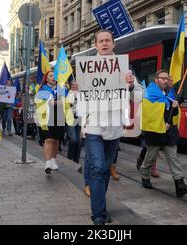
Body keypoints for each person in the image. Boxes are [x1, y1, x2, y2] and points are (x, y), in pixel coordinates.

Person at [74, 29, 139, 225]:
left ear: (113, 44)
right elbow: (78, 103)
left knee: (104, 169)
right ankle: (99, 215)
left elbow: (138, 94)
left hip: (115, 128)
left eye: (107, 40)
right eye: (100, 41)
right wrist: (76, 92)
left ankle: (101, 206)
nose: (104, 43)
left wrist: (130, 85)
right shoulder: (86, 69)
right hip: (94, 127)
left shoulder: (125, 68)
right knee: (98, 167)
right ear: (95, 45)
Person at [140, 70, 187, 197]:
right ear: (156, 80)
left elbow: (173, 113)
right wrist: (162, 122)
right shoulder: (149, 93)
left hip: (169, 132)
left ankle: (180, 184)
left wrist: (175, 107)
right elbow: (149, 113)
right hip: (154, 132)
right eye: (163, 78)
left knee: (173, 158)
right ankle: (144, 175)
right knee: (150, 157)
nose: (166, 81)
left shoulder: (171, 94)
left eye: (167, 79)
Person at [35, 70, 74, 174]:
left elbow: (68, 101)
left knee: (56, 140)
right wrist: (53, 102)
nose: (53, 77)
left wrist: (56, 102)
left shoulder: (61, 88)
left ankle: (53, 160)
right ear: (46, 78)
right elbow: (40, 102)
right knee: (48, 139)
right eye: (51, 76)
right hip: (46, 117)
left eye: (54, 76)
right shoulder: (42, 89)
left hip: (59, 115)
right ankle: (47, 163)